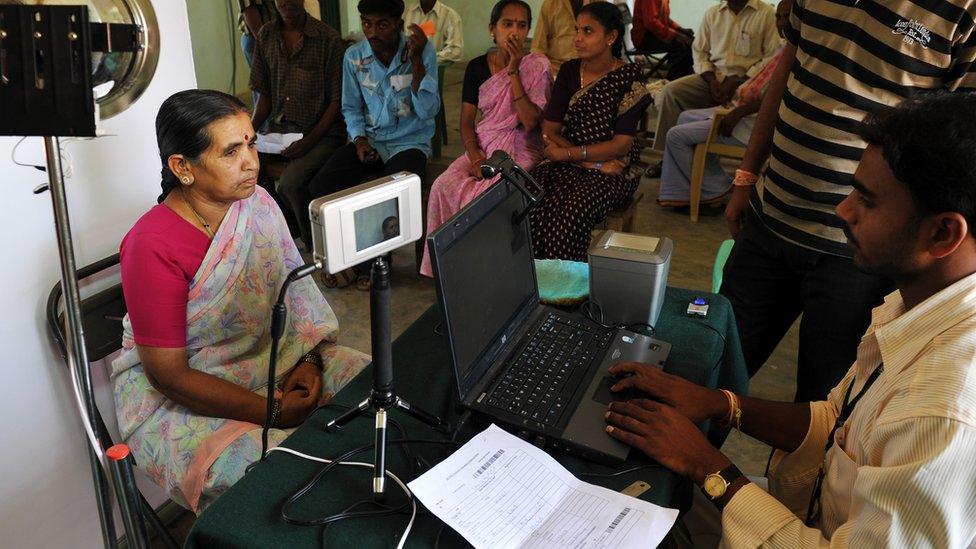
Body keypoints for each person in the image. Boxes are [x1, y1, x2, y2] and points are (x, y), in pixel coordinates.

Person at [605, 93, 976, 547]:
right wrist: (721, 404)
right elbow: (840, 424)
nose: (843, 210)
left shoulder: (943, 413)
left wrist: (708, 465)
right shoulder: (920, 303)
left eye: (868, 200)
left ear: (942, 233)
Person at [111, 90, 369, 513]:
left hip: (278, 361)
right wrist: (274, 412)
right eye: (231, 151)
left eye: (250, 142)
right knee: (283, 475)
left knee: (372, 387)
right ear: (182, 167)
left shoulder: (258, 204)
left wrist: (308, 360)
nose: (251, 161)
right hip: (182, 402)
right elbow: (169, 377)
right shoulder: (150, 245)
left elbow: (296, 299)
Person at [721, 0, 976, 402]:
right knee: (711, 372)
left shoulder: (963, 10)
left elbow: (962, 144)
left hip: (859, 257)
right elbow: (788, 73)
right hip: (771, 218)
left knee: (827, 405)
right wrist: (746, 176)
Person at [308, 0, 437, 289]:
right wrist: (360, 141)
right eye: (367, 23)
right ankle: (345, 259)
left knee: (386, 191)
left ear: (398, 24)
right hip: (373, 140)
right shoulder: (354, 57)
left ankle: (377, 264)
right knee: (321, 186)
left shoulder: (421, 51)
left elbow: (428, 110)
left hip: (410, 141)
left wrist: (416, 62)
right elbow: (351, 107)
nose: (372, 31)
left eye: (382, 24)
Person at [419, 0, 551, 277]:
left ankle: (483, 271)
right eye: (507, 24)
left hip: (521, 148)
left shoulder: (536, 65)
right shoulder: (478, 67)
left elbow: (529, 121)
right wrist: (477, 157)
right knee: (443, 186)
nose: (514, 32)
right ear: (493, 29)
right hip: (483, 144)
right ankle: (449, 268)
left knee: (485, 195)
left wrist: (514, 70)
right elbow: (467, 121)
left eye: (522, 25)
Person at [527, 2, 651, 261]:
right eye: (577, 31)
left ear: (611, 37)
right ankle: (532, 286)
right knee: (530, 199)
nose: (578, 39)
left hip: (616, 168)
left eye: (588, 31)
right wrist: (588, 162)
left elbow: (621, 145)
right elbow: (549, 130)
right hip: (581, 162)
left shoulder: (628, 77)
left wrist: (567, 154)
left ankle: (569, 289)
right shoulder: (570, 71)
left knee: (571, 212)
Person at [655, 0, 790, 212]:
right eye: (780, 18)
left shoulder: (767, 17)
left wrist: (736, 88)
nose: (782, 22)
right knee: (672, 95)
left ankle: (713, 188)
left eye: (786, 17)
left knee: (678, 135)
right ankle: (680, 184)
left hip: (742, 87)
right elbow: (699, 52)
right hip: (715, 78)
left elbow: (765, 78)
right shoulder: (713, 14)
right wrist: (712, 81)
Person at [249, 0, 347, 251]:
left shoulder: (328, 39)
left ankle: (321, 251)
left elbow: (336, 103)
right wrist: (247, 131)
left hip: (323, 133)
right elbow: (266, 96)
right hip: (280, 131)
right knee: (241, 171)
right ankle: (278, 241)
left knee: (291, 184)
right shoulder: (266, 35)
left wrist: (308, 142)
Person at [630, 0, 694, 81]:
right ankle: (673, 82)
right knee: (682, 46)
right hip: (644, 38)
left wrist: (680, 29)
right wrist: (676, 35)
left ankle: (684, 79)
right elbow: (651, 22)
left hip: (652, 33)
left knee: (690, 39)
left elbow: (665, 20)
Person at [531, 0, 599, 74]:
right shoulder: (551, 4)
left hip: (590, 72)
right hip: (555, 71)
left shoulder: (598, 4)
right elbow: (538, 47)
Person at [237, 0, 277, 107]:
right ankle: (263, 123)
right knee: (265, 91)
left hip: (273, 38)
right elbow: (249, 11)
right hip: (259, 40)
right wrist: (267, 46)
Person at [403, 0, 463, 64]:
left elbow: (456, 50)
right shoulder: (405, 12)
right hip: (403, 67)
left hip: (433, 70)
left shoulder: (450, 16)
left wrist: (428, 59)